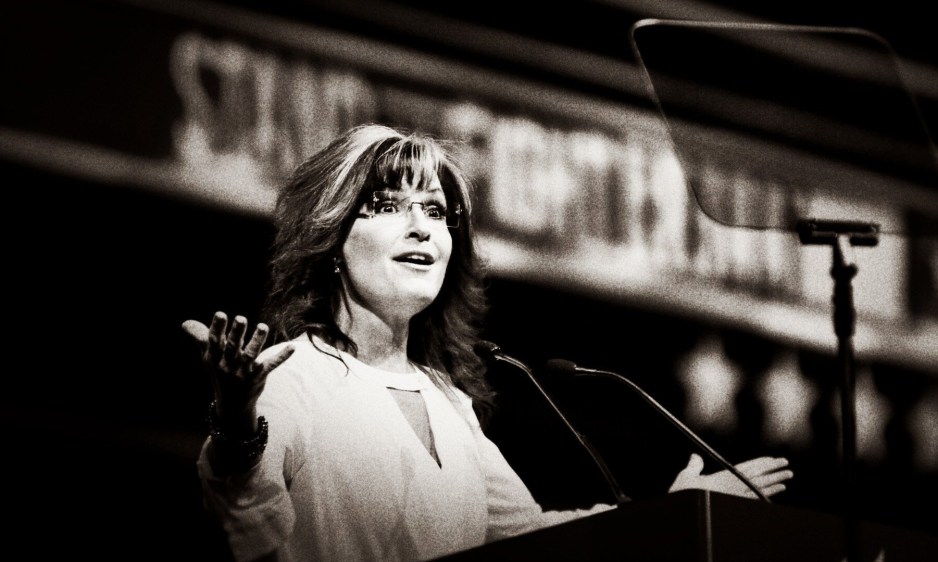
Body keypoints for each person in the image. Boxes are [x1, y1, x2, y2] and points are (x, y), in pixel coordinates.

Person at [183, 123, 793, 562]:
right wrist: (237, 420)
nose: (421, 225)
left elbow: (537, 540)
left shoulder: (449, 402)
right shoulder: (292, 379)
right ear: (332, 239)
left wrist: (671, 511)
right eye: (388, 206)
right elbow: (246, 519)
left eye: (436, 210)